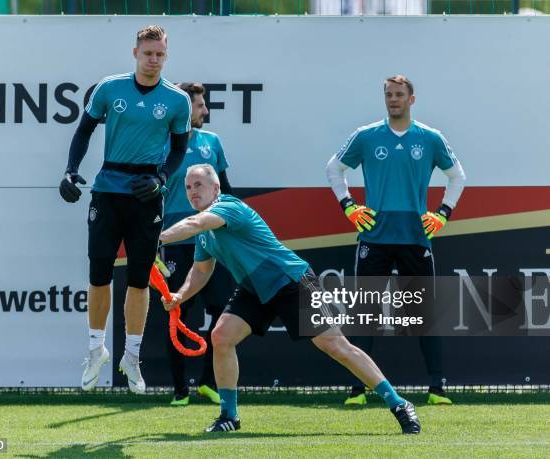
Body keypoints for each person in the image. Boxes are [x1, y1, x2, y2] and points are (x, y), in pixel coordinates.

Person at [159, 164, 421, 434]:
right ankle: (229, 415)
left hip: (290, 279)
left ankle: (399, 403)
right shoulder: (204, 235)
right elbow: (201, 272)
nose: (192, 192)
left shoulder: (227, 208)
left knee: (335, 346)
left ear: (216, 188)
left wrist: (156, 238)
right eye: (188, 187)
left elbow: (193, 223)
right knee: (221, 336)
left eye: (198, 185)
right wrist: (180, 295)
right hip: (254, 288)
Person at [58, 25, 192, 394]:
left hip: (146, 193)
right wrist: (70, 170)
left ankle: (131, 356)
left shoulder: (177, 100)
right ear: (135, 53)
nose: (153, 60)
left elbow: (179, 149)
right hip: (107, 189)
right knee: (99, 272)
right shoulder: (109, 87)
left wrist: (161, 179)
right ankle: (95, 349)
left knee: (138, 277)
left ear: (166, 55)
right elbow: (83, 131)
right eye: (147, 53)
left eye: (160, 54)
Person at [325, 75, 466, 405]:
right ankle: (358, 390)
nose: (393, 100)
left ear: (411, 99)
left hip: (416, 237)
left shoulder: (430, 138)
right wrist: (349, 206)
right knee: (366, 314)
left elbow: (458, 176)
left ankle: (436, 388)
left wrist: (443, 213)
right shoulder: (366, 136)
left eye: (399, 95)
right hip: (374, 236)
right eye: (389, 94)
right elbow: (334, 169)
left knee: (425, 313)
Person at [160, 82, 235, 406]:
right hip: (176, 240)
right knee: (177, 311)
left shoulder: (212, 142)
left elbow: (227, 191)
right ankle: (179, 390)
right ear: (183, 108)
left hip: (212, 240)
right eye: (199, 105)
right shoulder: (161, 143)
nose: (205, 110)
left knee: (223, 313)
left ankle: (209, 382)